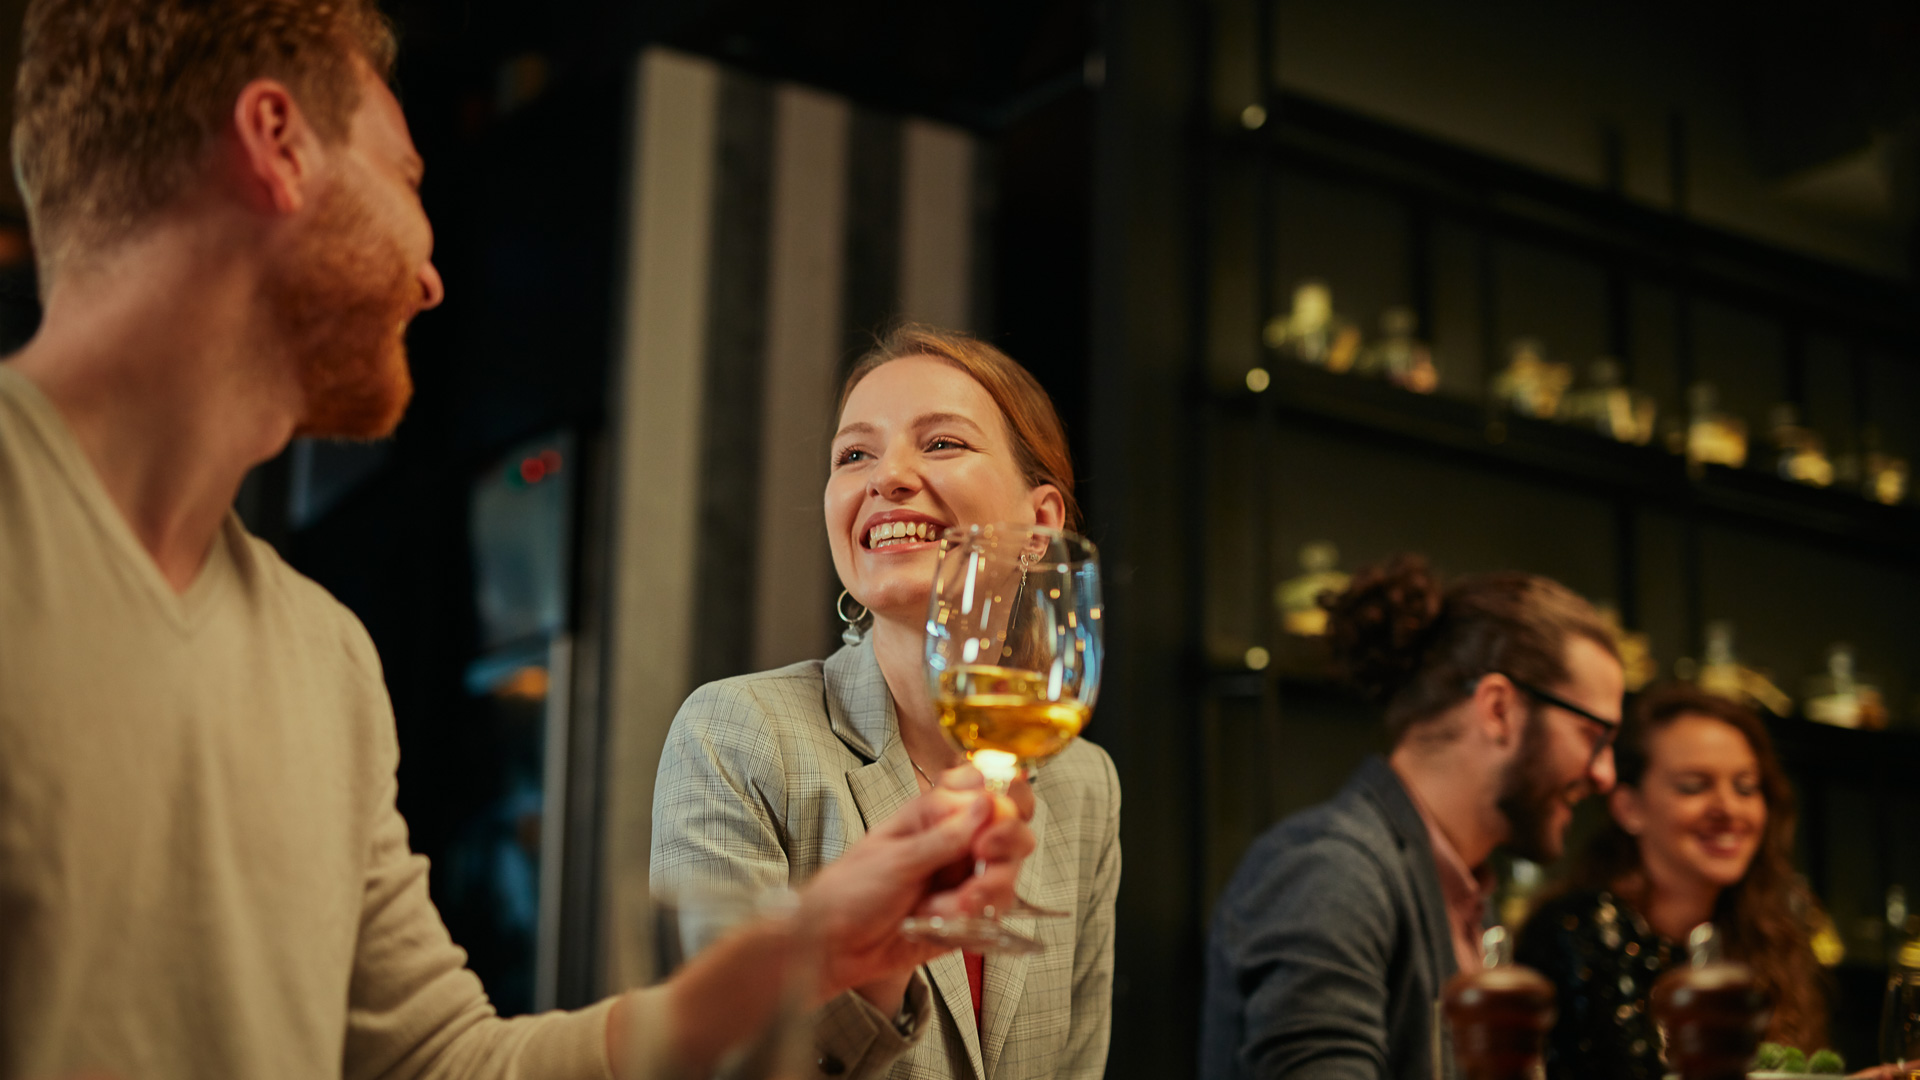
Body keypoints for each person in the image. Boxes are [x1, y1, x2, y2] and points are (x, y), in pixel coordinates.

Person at [0, 3, 1036, 1078]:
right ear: (277, 144)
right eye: (406, 180)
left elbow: (442, 1059)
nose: (429, 276)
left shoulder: (324, 657)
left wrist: (806, 952)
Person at [651, 325, 1121, 1080]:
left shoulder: (1084, 783)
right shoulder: (735, 735)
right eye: (854, 455)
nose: (887, 477)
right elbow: (715, 1063)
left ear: (1041, 524)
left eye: (940, 444)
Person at [1200, 554, 1625, 1080]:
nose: (1606, 774)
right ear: (1498, 709)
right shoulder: (1332, 875)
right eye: (1595, 736)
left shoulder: (1470, 904)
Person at [1516, 684, 1828, 1080]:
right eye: (1693, 786)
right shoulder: (1585, 928)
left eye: (1746, 788)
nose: (1728, 809)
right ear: (1629, 808)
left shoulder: (1763, 935)